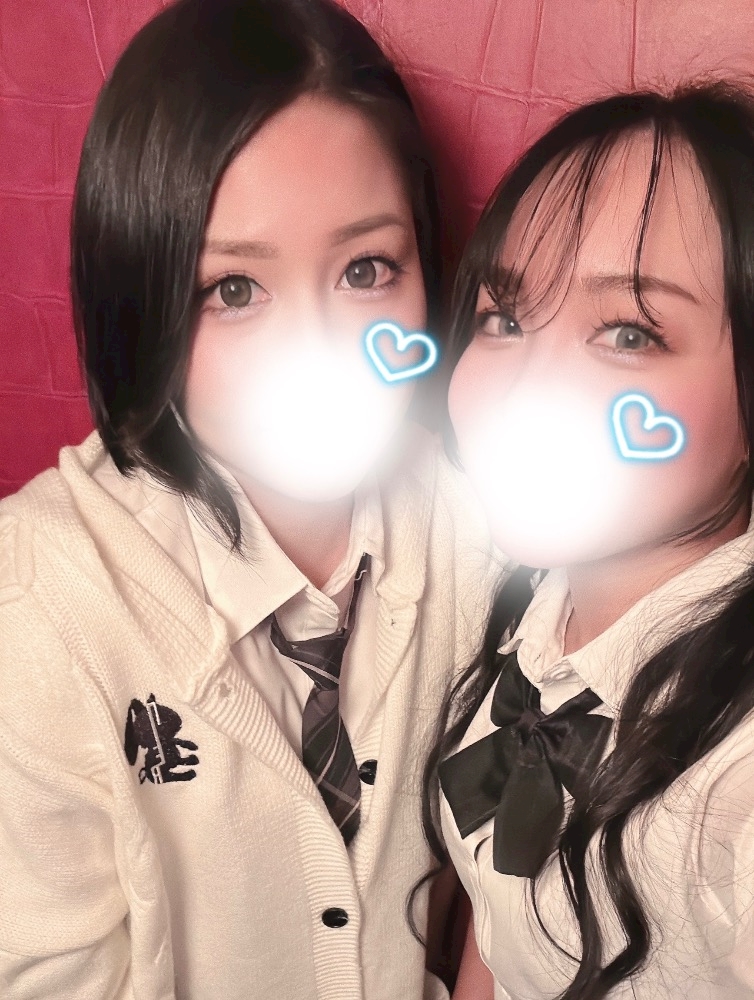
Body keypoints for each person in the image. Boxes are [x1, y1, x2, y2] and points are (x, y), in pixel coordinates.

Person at [0, 1, 498, 997]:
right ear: (141, 301)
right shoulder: (41, 603)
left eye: (366, 270)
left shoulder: (479, 519)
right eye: (233, 289)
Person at [423, 82, 754, 1000]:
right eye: (504, 320)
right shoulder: (526, 603)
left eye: (629, 333)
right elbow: (498, 929)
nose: (523, 390)